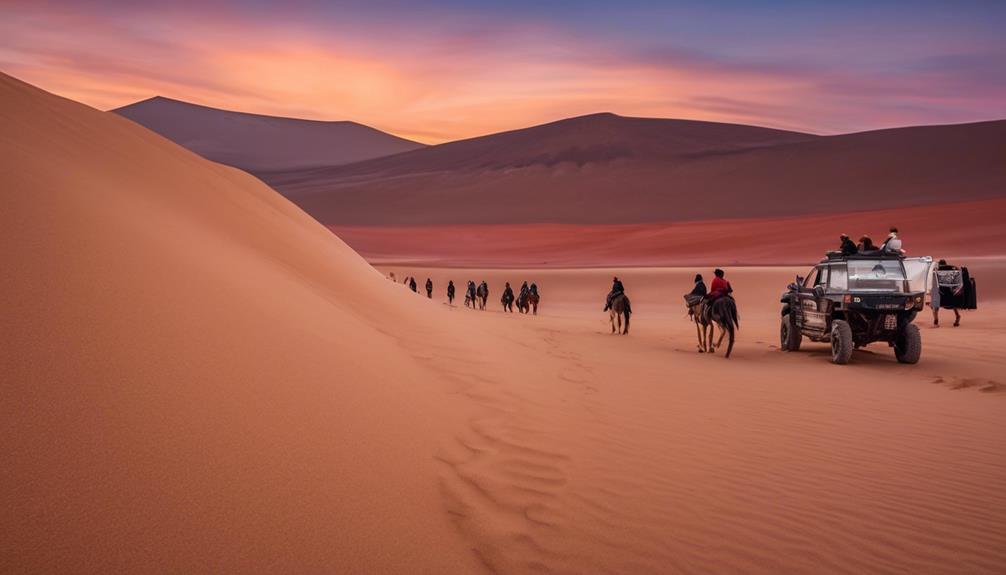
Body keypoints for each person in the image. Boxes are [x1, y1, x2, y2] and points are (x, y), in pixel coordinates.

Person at [933, 259, 962, 327]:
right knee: (953, 303)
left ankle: (936, 321)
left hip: (941, 291)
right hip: (950, 291)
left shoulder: (937, 271)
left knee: (935, 304)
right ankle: (957, 316)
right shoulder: (952, 270)